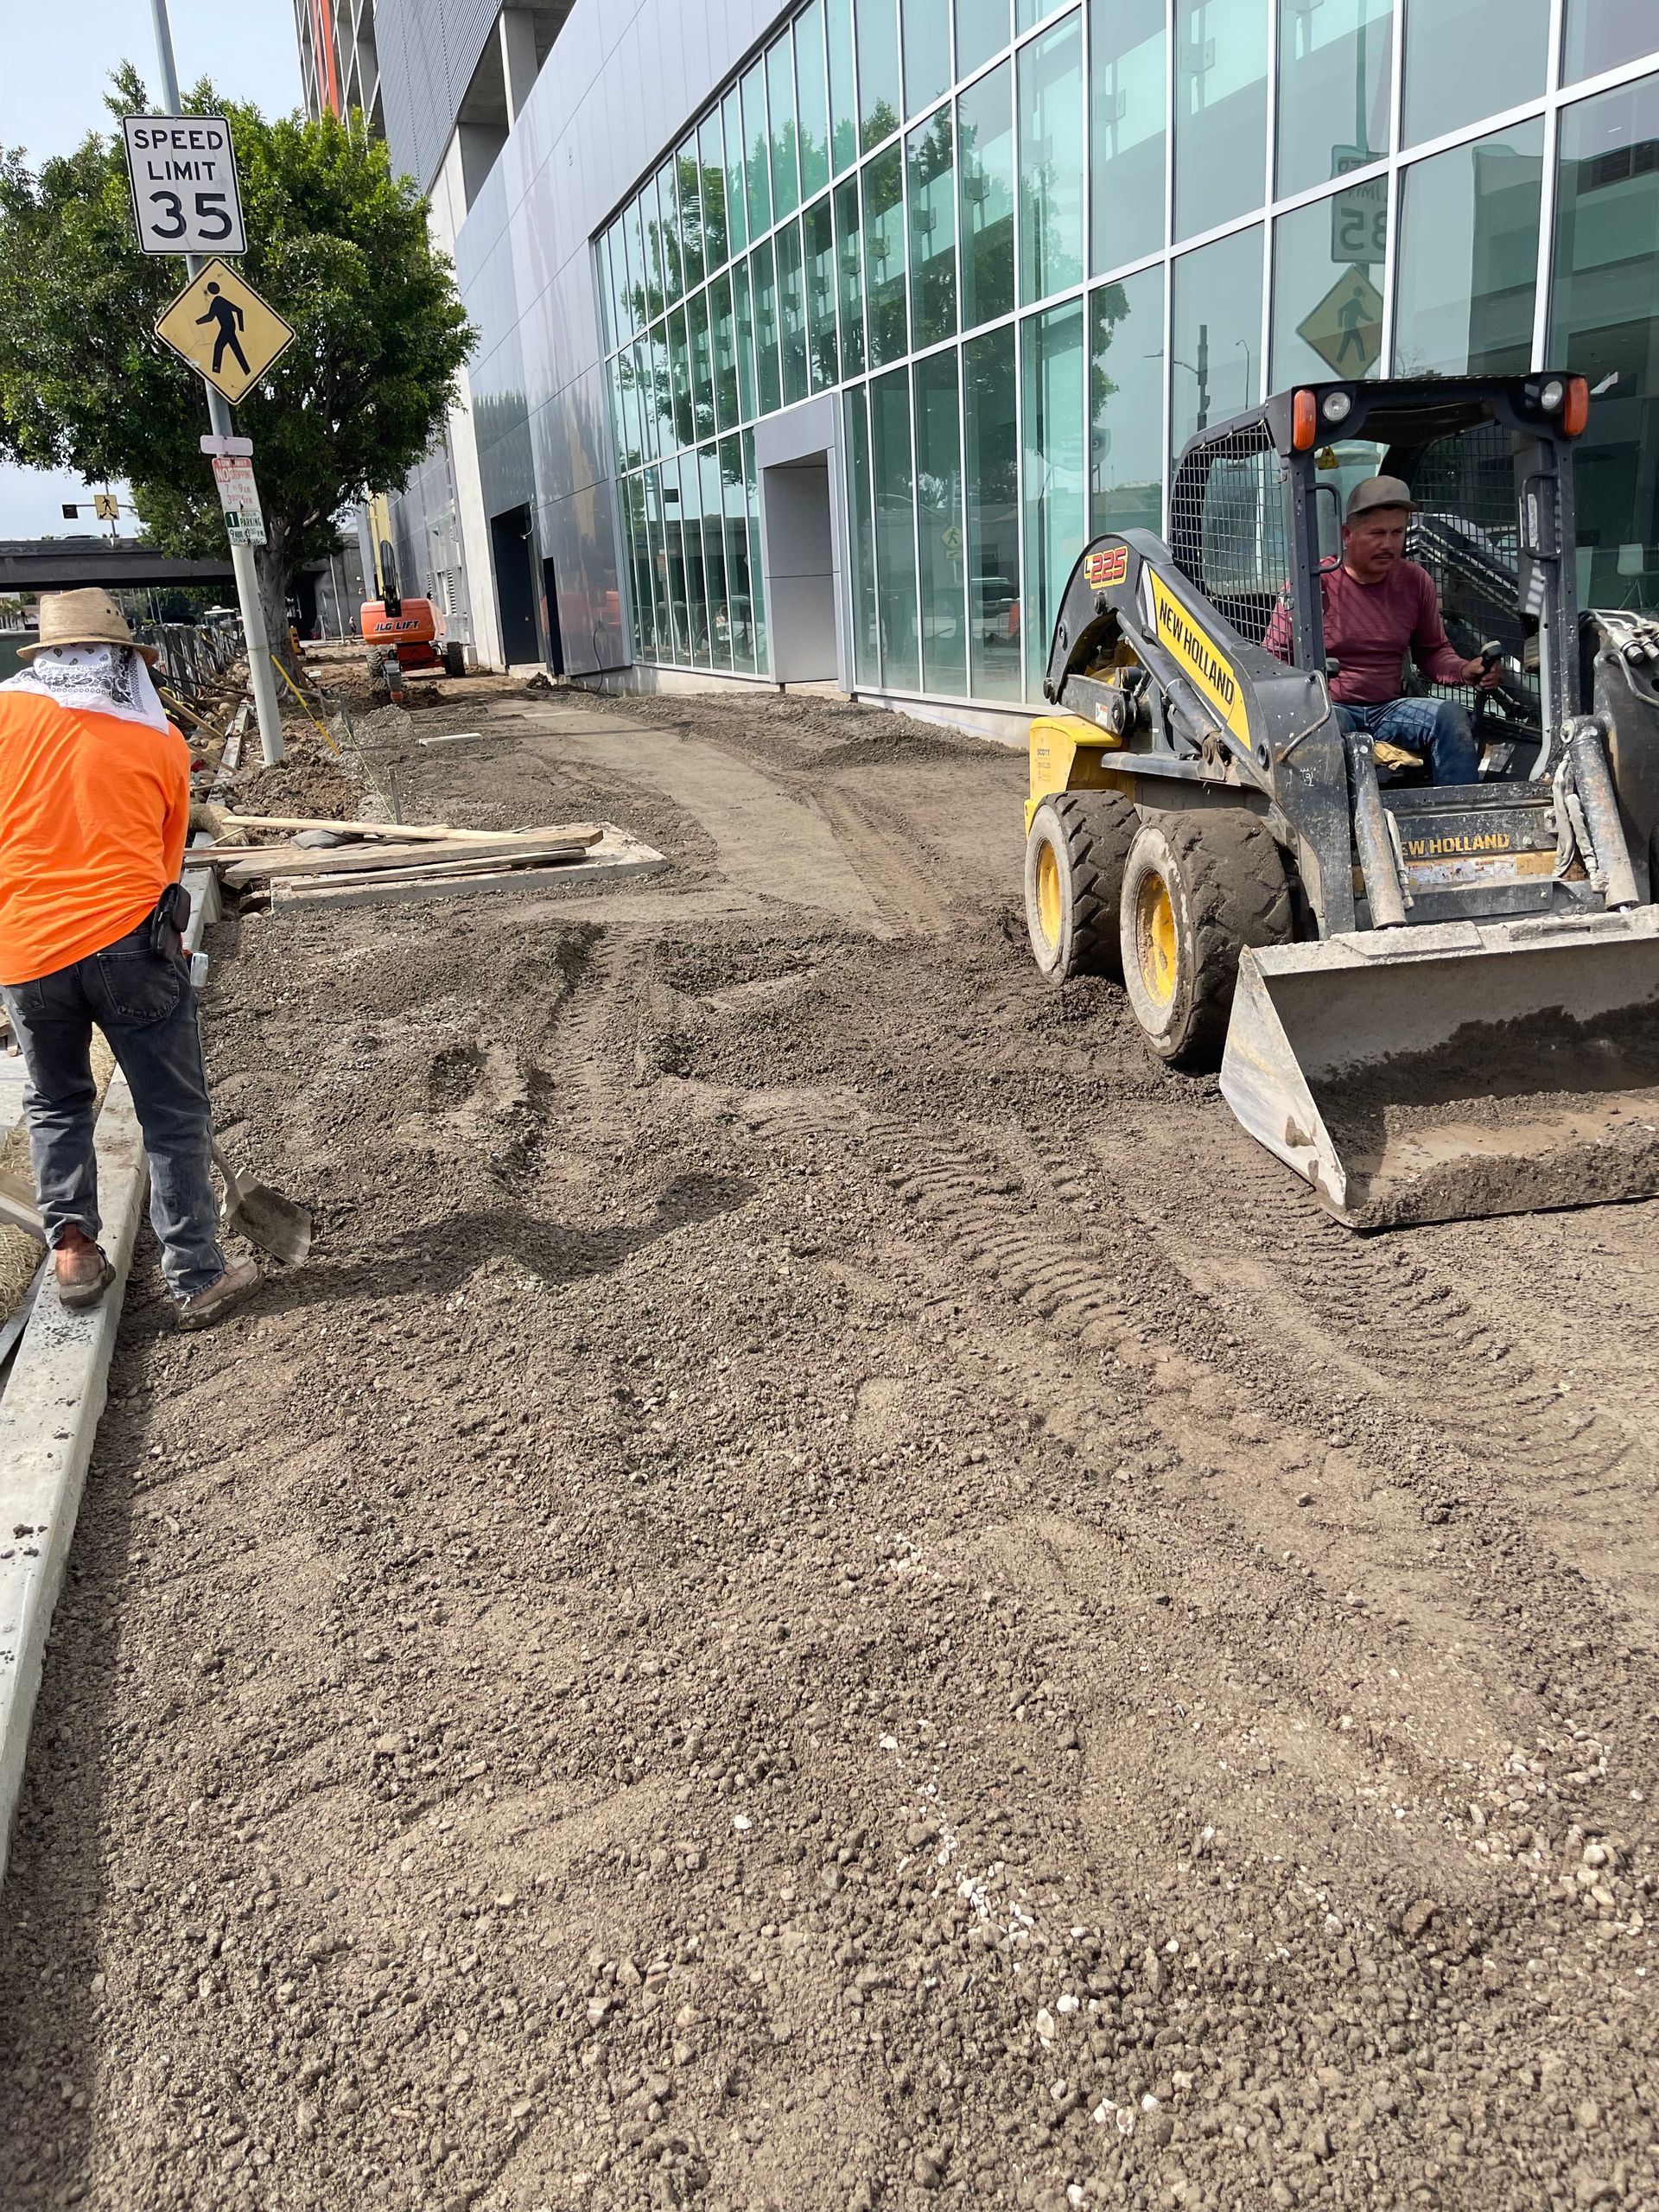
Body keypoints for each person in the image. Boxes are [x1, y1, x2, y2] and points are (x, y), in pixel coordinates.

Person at [0, 589, 258, 1328]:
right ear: (122, 661)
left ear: (45, 658)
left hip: (27, 949)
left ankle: (75, 1251)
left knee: (54, 1101)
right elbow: (168, 849)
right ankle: (197, 1275)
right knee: (173, 1114)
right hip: (131, 945)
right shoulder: (157, 737)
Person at [1263, 474, 1501, 785]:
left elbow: (1433, 652)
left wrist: (1466, 670)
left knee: (1451, 717)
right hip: (1330, 709)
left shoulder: (1416, 582)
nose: (1389, 544)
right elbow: (1271, 659)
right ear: (1348, 535)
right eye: (1377, 533)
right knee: (1335, 725)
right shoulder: (1311, 585)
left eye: (1397, 532)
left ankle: (1458, 819)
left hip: (1389, 709)